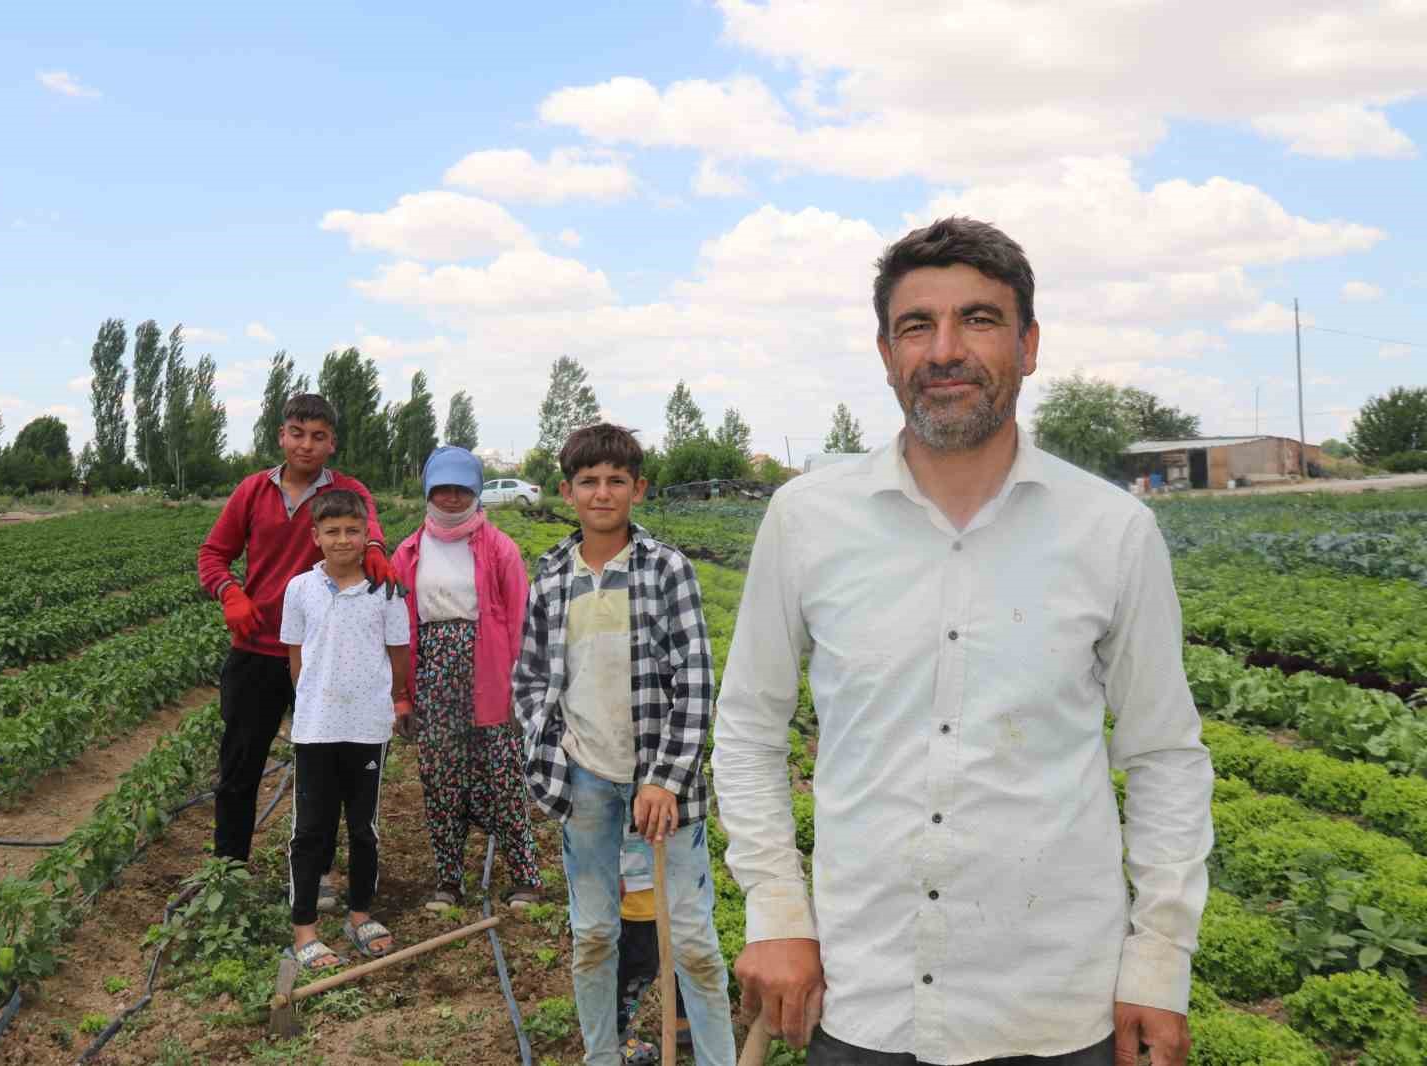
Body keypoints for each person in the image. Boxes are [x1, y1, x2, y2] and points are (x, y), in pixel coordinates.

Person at [711, 217, 1214, 1066]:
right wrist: (778, 914)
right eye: (917, 325)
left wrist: (1159, 965)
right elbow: (749, 729)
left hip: (1055, 1008)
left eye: (978, 319)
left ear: (1028, 345)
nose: (944, 349)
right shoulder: (804, 521)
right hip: (865, 994)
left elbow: (1164, 754)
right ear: (885, 352)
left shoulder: (1111, 531)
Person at [513, 423, 737, 1066]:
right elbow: (528, 677)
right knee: (593, 934)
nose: (602, 493)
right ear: (567, 489)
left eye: (616, 481)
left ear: (637, 490)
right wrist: (554, 753)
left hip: (661, 783)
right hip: (584, 778)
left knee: (691, 941)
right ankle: (601, 1055)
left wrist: (665, 778)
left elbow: (695, 680)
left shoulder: (668, 570)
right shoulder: (553, 573)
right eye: (589, 481)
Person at [197, 393, 403, 880]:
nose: (305, 445)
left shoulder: (348, 490)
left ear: (332, 443)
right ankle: (228, 869)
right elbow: (212, 554)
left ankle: (321, 870)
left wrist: (374, 546)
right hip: (257, 649)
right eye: (296, 433)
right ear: (280, 436)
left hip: (324, 657)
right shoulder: (252, 491)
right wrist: (230, 593)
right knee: (239, 766)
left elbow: (369, 526)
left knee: (326, 766)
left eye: (318, 436)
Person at [388, 446, 545, 911]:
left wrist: (524, 689)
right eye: (443, 489)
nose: (452, 498)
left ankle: (525, 878)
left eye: (461, 489)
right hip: (432, 675)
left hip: (491, 675)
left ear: (476, 492)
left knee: (503, 777)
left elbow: (523, 620)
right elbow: (396, 629)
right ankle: (448, 881)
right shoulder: (409, 551)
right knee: (441, 780)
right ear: (429, 491)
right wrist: (402, 697)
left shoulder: (499, 548)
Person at [279, 490, 411, 967]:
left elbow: (399, 655)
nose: (342, 540)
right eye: (331, 531)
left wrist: (392, 700)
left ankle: (360, 914)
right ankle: (305, 929)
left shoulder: (386, 590)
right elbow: (297, 659)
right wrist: (313, 701)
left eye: (352, 531)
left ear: (367, 536)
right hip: (316, 728)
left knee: (364, 827)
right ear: (315, 537)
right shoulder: (300, 590)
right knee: (309, 829)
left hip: (368, 727)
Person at [616, 833, 691, 1065]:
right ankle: (616, 1030)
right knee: (638, 966)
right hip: (635, 886)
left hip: (677, 872)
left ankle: (681, 1019)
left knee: (686, 950)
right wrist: (612, 867)